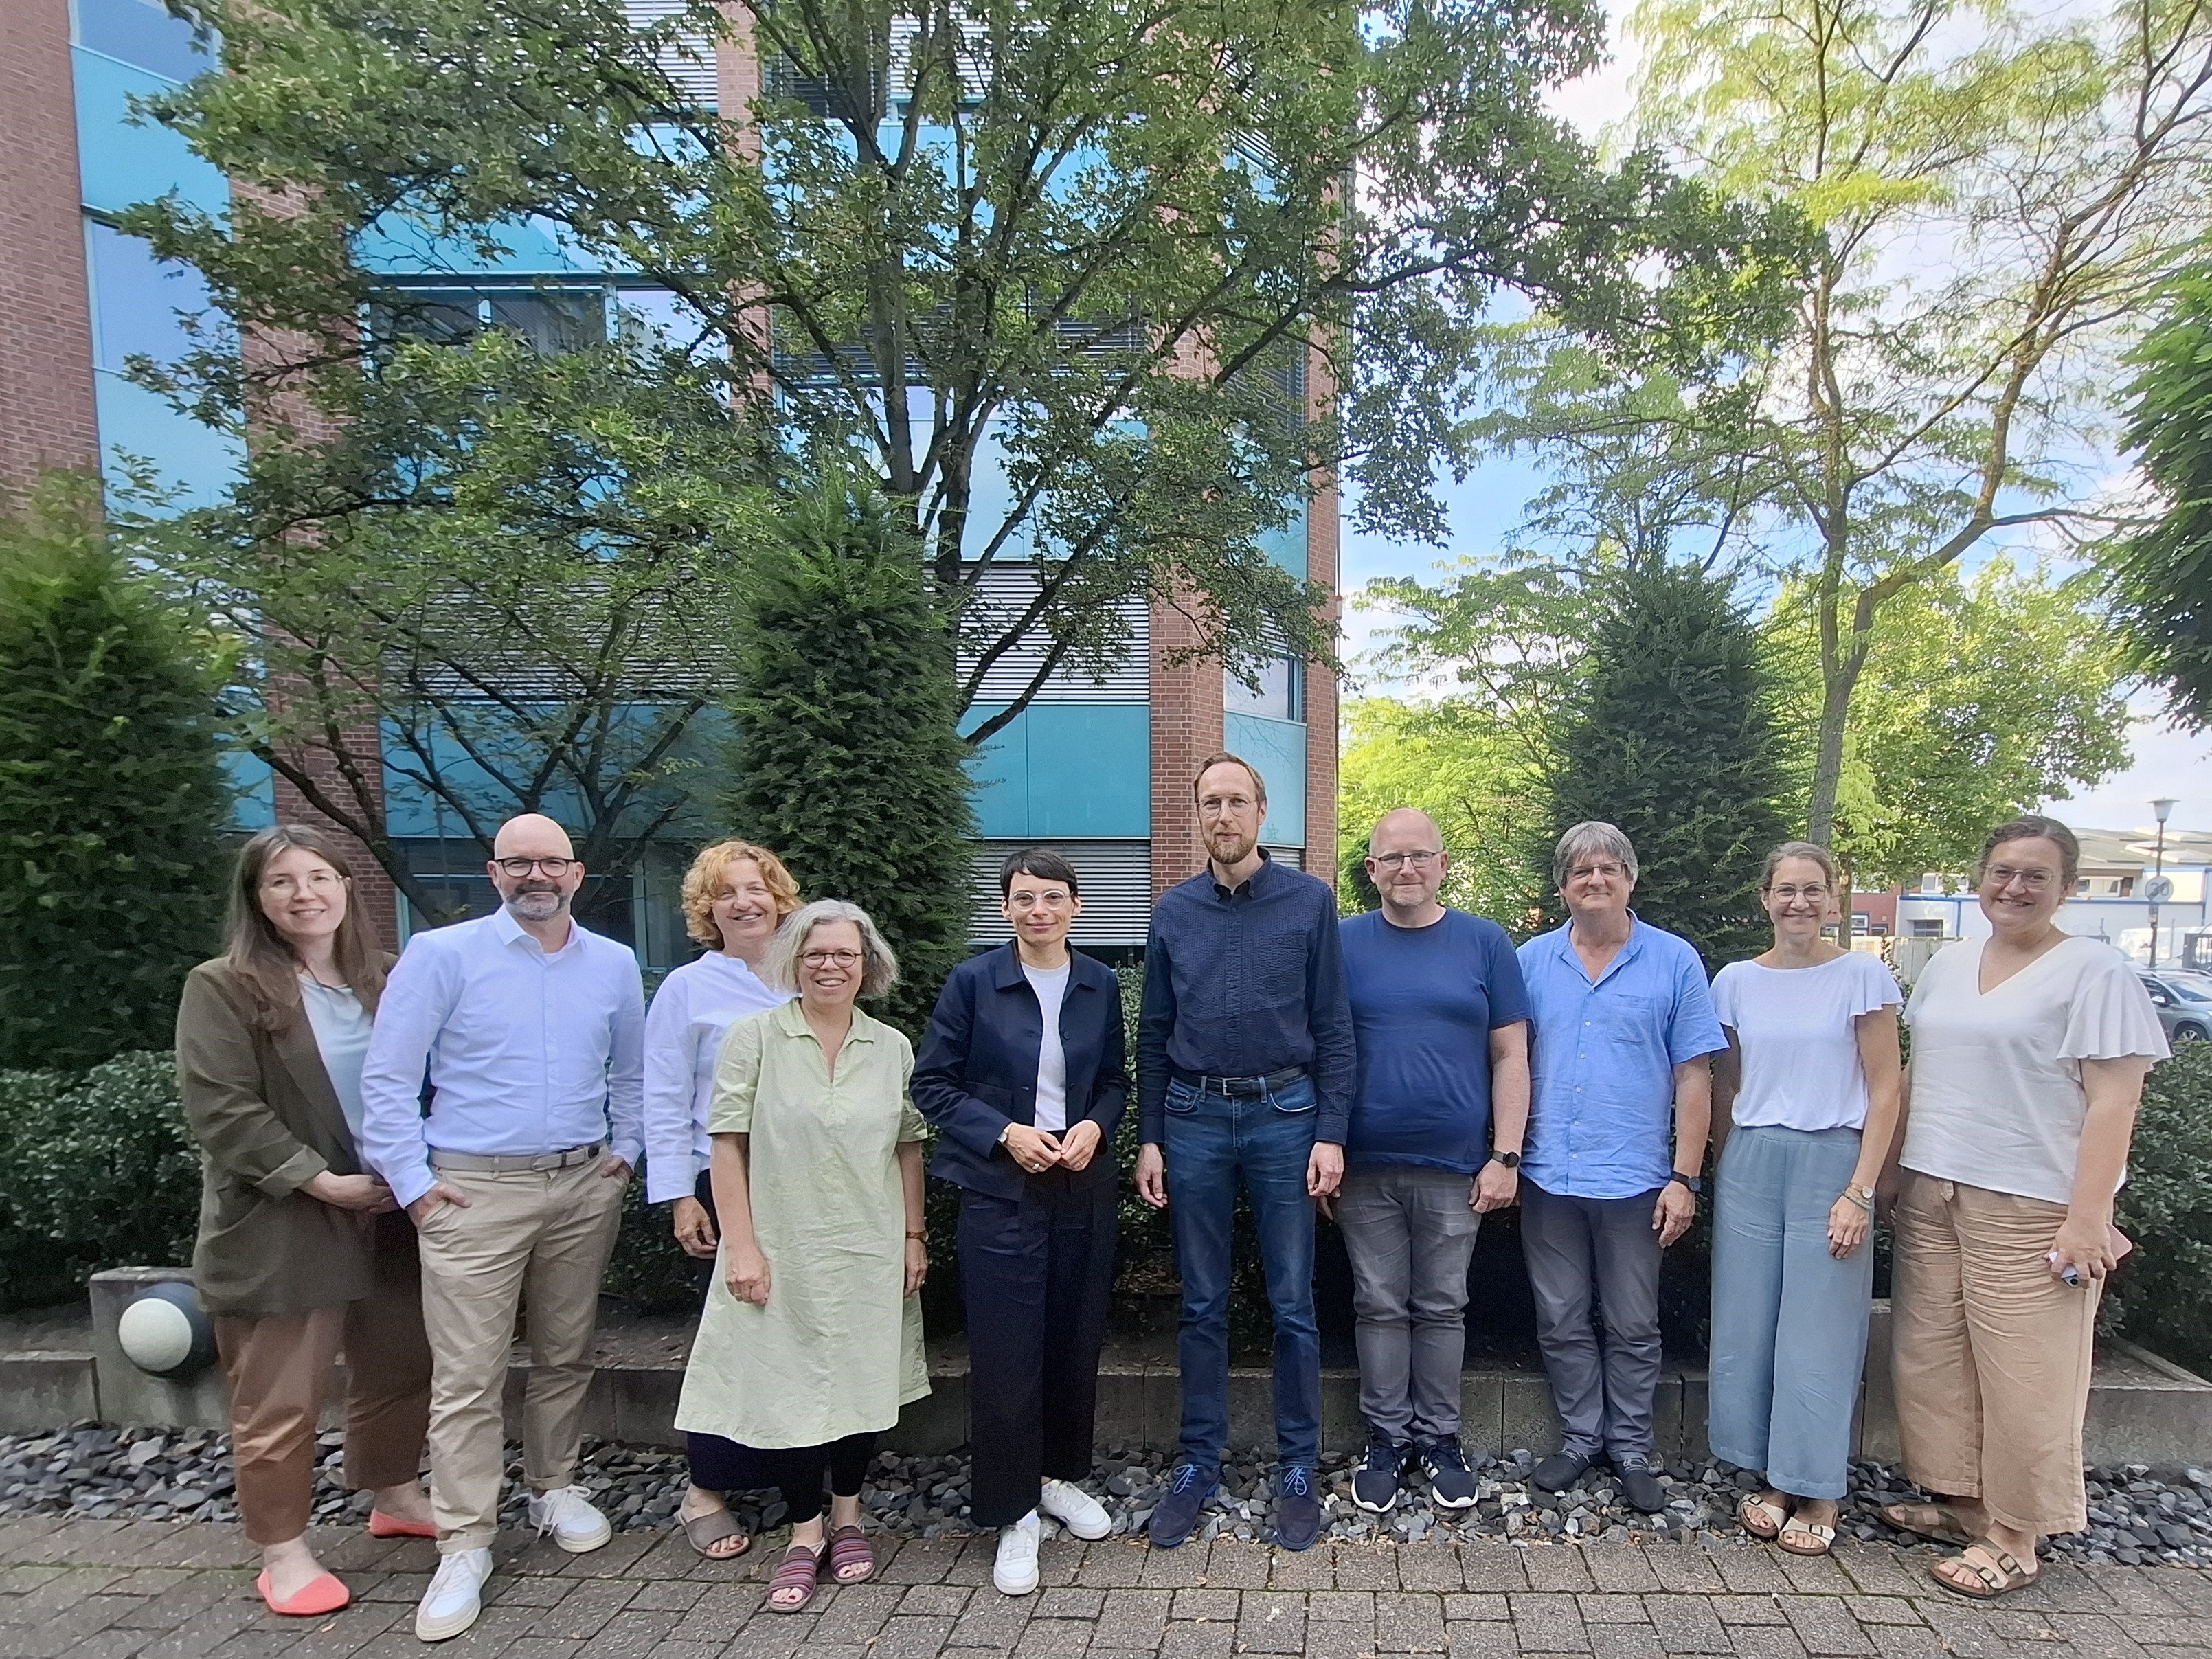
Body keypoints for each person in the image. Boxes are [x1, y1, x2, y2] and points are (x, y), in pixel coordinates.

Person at [358, 814, 644, 1644]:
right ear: (493, 872)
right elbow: (389, 1081)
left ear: (577, 873)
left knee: (566, 1352)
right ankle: (466, 1539)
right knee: (467, 1374)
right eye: (519, 863)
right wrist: (412, 1186)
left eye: (550, 862)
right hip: (471, 1191)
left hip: (582, 1184)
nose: (536, 876)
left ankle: (553, 1485)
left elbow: (629, 1070)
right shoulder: (443, 957)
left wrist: (624, 1153)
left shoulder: (614, 964)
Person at [1883, 815, 2166, 1600]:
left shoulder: (2094, 971)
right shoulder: (1949, 963)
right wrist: (1890, 1178)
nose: (2013, 887)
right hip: (1934, 1186)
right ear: (1980, 877)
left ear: (2066, 888)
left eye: (2034, 876)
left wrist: (2087, 1216)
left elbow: (2115, 1101)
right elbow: (1916, 1073)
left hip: (2031, 1202)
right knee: (1934, 1358)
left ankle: (2018, 1533)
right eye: (2002, 871)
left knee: (2026, 1372)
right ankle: (1967, 1503)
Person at [175, 825, 434, 1619]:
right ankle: (283, 1553)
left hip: (390, 1207)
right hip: (287, 1214)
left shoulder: (385, 978)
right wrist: (323, 1182)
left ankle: (392, 1491)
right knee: (281, 1396)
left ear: (348, 886)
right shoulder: (224, 986)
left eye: (319, 877)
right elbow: (221, 1109)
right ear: (257, 898)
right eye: (282, 882)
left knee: (402, 1361)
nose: (304, 895)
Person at [674, 900, 929, 1615]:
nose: (830, 966)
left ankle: (848, 1517)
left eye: (845, 954)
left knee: (858, 1383)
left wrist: (914, 1236)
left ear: (866, 964)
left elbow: (908, 1145)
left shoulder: (891, 1047)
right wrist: (742, 1245)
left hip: (866, 1246)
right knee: (789, 1389)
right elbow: (727, 1141)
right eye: (816, 954)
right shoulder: (755, 1038)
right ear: (795, 961)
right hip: (781, 1247)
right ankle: (803, 1529)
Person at [1134, 752, 1355, 1553]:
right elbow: (1153, 1032)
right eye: (1208, 803)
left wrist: (1330, 1131)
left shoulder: (1308, 903)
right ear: (1196, 815)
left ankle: (1297, 1466)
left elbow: (1334, 1026)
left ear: (1263, 813)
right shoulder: (1172, 911)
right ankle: (1199, 1462)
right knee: (1200, 1303)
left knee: (1293, 1305)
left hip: (1285, 1116)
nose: (1221, 815)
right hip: (1192, 1117)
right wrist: (1150, 1135)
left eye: (1236, 801)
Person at [914, 850, 1126, 1596]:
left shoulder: (1100, 984)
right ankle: (1013, 1514)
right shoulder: (974, 982)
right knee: (1007, 1357)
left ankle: (1056, 1478)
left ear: (1076, 906)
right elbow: (931, 1084)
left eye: (1054, 897)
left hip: (1082, 1190)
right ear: (1005, 909)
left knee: (1072, 1342)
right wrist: (1005, 1133)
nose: (1040, 910)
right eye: (1024, 898)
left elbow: (1113, 1083)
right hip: (1001, 1193)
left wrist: (1096, 1128)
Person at [1515, 821, 1726, 1514]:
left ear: (1630, 881)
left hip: (1637, 1179)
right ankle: (1580, 1440)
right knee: (1561, 1318)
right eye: (1581, 872)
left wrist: (1684, 1177)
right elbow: (1507, 1064)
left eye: (1609, 869)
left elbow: (1695, 1076)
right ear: (1563, 886)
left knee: (1633, 1322)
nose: (1595, 881)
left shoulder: (1673, 961)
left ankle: (1630, 1449)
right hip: (1548, 1175)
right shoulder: (1532, 962)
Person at [1707, 842, 1903, 1557]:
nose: (1798, 902)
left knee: (1819, 1333)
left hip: (1833, 1159)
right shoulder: (1733, 981)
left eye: (1812, 890)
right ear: (1764, 897)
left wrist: (1862, 1188)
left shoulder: (1860, 976)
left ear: (1833, 899)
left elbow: (1886, 1088)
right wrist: (1727, 1163)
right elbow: (1727, 1084)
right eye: (1785, 889)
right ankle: (1771, 1476)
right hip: (1753, 1159)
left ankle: (1817, 1487)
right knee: (1751, 1324)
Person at [1335, 809, 1531, 1516]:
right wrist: (1321, 1148)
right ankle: (1386, 1441)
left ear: (1443, 864)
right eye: (1391, 858)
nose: (1406, 869)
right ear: (1372, 872)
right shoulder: (1341, 943)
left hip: (1456, 1167)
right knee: (1379, 1306)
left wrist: (1504, 1154)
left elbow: (1512, 1055)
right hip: (1363, 1166)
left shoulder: (1483, 943)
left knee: (1443, 1307)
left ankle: (1439, 1439)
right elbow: (1320, 1050)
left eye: (1419, 856)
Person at [642, 838, 800, 1559]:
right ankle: (706, 1487)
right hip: (724, 1184)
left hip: (809, 1186)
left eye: (756, 888)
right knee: (730, 1339)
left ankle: (795, 1475)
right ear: (708, 910)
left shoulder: (807, 973)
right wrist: (679, 1194)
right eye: (727, 892)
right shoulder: (687, 990)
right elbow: (665, 1096)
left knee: (799, 1334)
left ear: (779, 899)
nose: (744, 902)